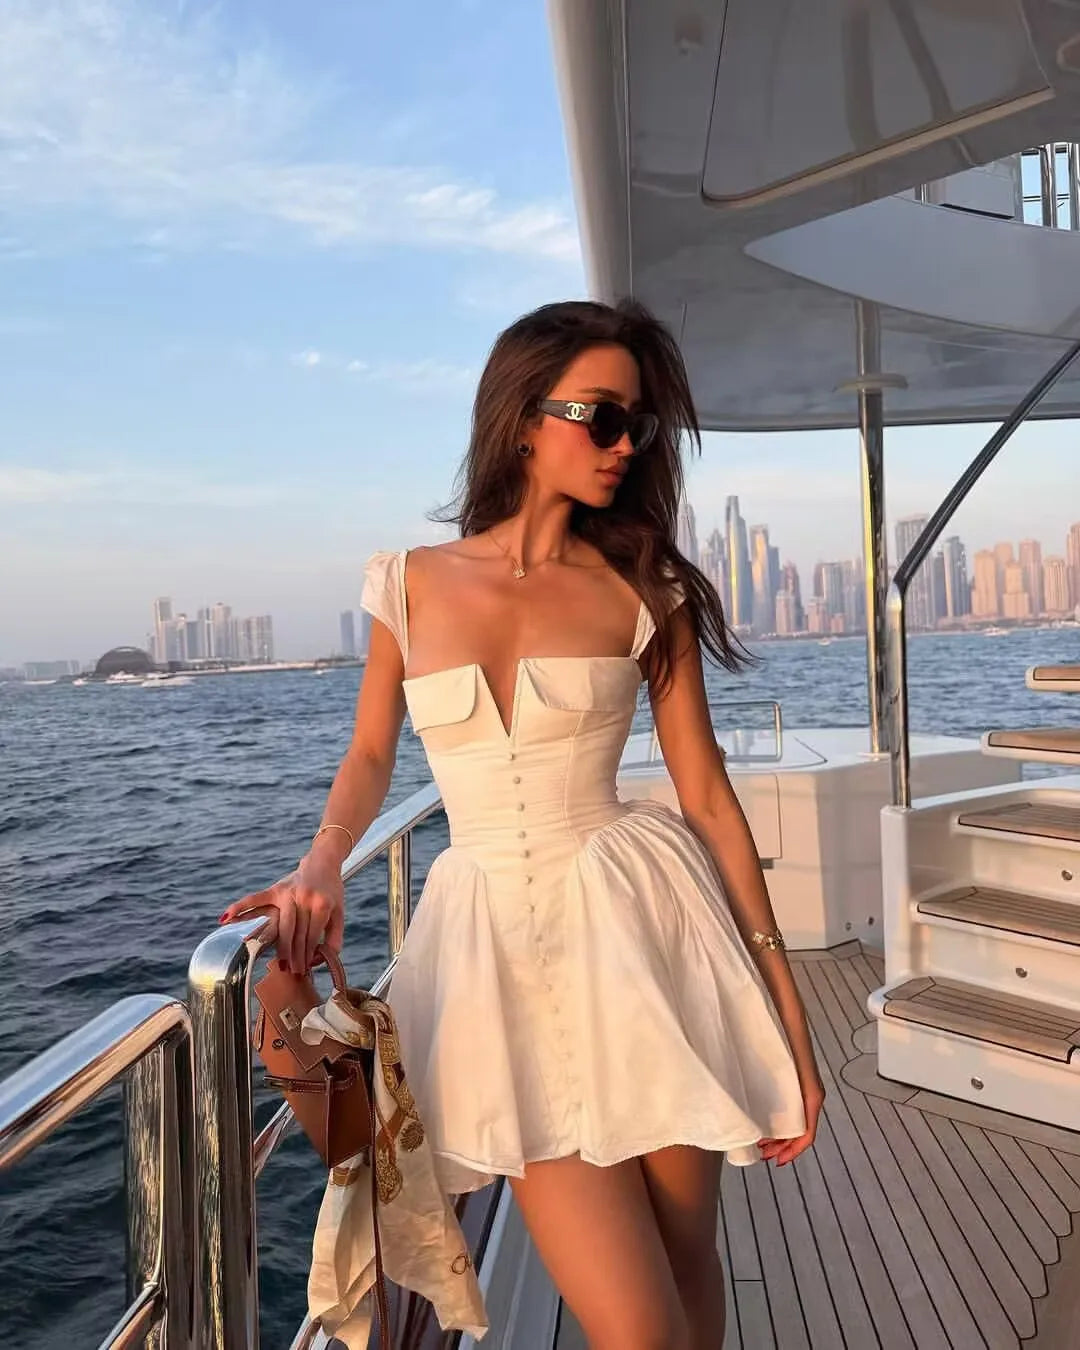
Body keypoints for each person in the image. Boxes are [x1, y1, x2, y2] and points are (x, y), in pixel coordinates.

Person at [222, 299, 824, 1350]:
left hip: (648, 939)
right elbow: (371, 756)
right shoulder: (408, 585)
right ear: (521, 418)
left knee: (688, 1271)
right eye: (601, 415)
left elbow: (710, 797)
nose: (625, 443)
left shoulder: (648, 589)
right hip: (497, 962)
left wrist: (791, 1028)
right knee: (642, 1330)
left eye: (636, 422)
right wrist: (320, 863)